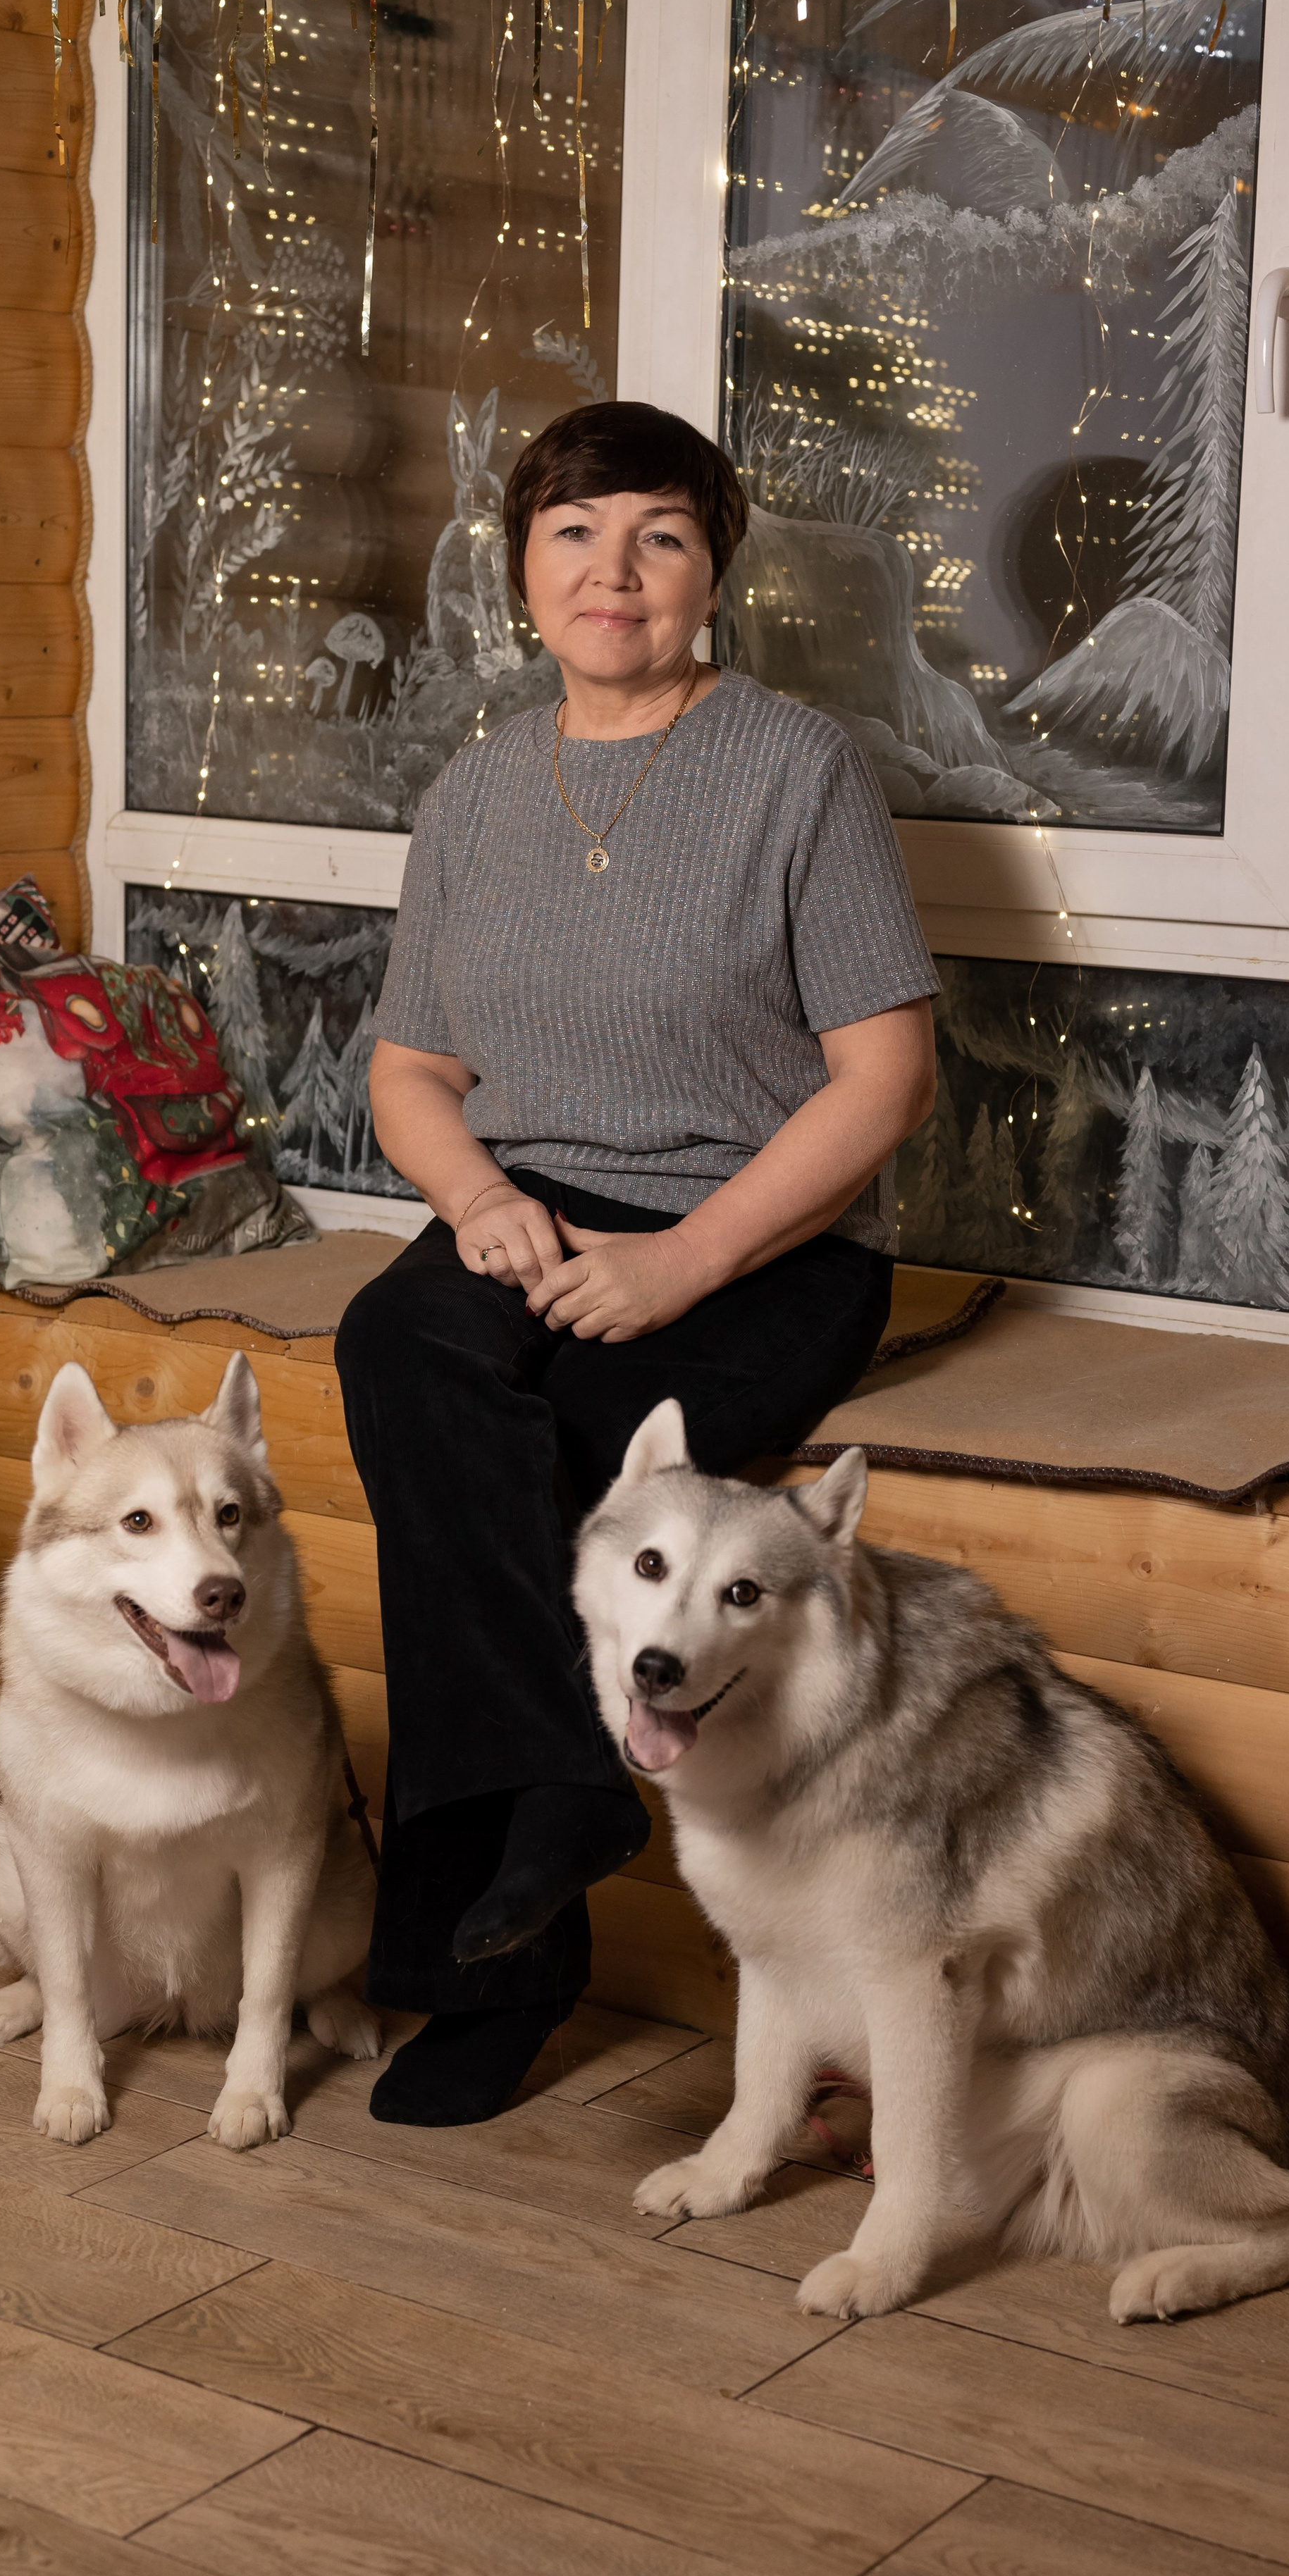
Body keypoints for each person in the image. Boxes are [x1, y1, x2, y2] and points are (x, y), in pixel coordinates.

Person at [335, 399, 939, 2126]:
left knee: (600, 1432)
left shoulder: (793, 770)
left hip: (762, 1235)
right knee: (402, 1354)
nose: (614, 572)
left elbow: (878, 1084)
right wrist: (473, 1203)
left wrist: (680, 1263)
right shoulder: (471, 792)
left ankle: (488, 1958)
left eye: (658, 536)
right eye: (576, 534)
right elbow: (412, 1073)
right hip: (529, 1201)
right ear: (521, 570)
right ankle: (565, 1800)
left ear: (710, 575)